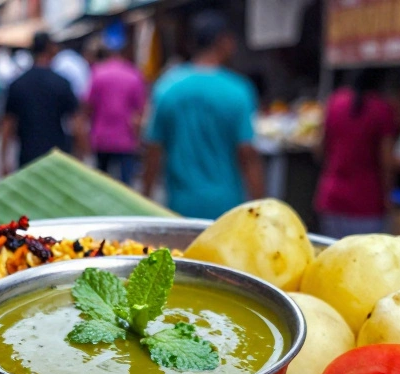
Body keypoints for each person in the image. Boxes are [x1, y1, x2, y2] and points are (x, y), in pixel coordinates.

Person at [141, 11, 264, 219]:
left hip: (179, 205)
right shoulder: (238, 90)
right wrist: (261, 209)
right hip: (226, 209)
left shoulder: (167, 87)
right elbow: (247, 154)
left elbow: (153, 151)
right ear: (222, 41)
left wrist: (144, 200)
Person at [315, 68, 397, 237]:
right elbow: (386, 162)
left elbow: (319, 149)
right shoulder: (382, 109)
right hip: (367, 203)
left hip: (332, 197)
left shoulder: (334, 103)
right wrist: (389, 197)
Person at [0, 32, 79, 175]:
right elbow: (77, 123)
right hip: (58, 155)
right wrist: (81, 156)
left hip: (27, 155)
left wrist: (3, 160)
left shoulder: (18, 84)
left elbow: (8, 124)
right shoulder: (62, 83)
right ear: (50, 48)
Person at [83, 42, 146, 185]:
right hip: (126, 138)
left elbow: (88, 106)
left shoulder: (97, 73)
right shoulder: (134, 75)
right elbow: (140, 110)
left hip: (101, 137)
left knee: (101, 183)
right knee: (126, 186)